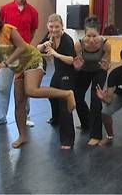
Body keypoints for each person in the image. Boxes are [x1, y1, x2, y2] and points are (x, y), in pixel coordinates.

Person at [0, 6, 76, 149]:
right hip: (19, 68)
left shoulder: (8, 29)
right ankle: (22, 136)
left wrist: (4, 64)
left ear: (0, 18)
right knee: (19, 102)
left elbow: (22, 48)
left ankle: (67, 94)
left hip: (32, 59)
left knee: (31, 90)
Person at [0, 0, 38, 128]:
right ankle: (0, 117)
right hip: (7, 55)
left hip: (24, 56)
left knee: (25, 88)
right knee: (3, 87)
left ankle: (26, 116)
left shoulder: (33, 12)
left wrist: (24, 44)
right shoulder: (4, 9)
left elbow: (33, 30)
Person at [37, 14, 76, 149]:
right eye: (51, 27)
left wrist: (55, 53)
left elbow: (71, 60)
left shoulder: (67, 40)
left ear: (62, 26)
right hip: (58, 73)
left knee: (64, 104)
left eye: (57, 27)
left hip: (68, 74)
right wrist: (43, 45)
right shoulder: (49, 36)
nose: (54, 30)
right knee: (51, 95)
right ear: (48, 26)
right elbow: (37, 48)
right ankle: (56, 119)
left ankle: (67, 140)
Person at [73, 15, 111, 146]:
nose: (91, 39)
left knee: (96, 100)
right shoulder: (78, 44)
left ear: (99, 33)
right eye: (88, 36)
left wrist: (107, 66)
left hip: (99, 70)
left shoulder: (106, 45)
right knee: (77, 97)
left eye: (94, 36)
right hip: (83, 70)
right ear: (84, 34)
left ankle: (96, 135)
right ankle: (86, 123)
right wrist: (76, 67)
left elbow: (107, 63)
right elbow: (77, 64)